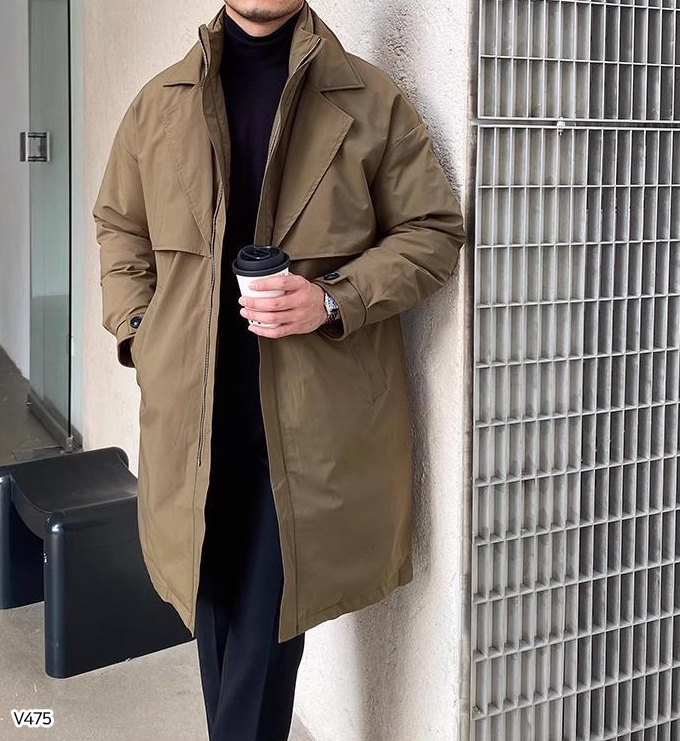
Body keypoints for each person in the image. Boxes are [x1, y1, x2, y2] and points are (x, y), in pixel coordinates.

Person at [93, 1, 466, 739]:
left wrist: (332, 298)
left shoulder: (369, 99)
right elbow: (120, 225)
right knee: (215, 612)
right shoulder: (159, 103)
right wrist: (141, 332)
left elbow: (433, 231)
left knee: (262, 637)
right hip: (193, 419)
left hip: (307, 427)